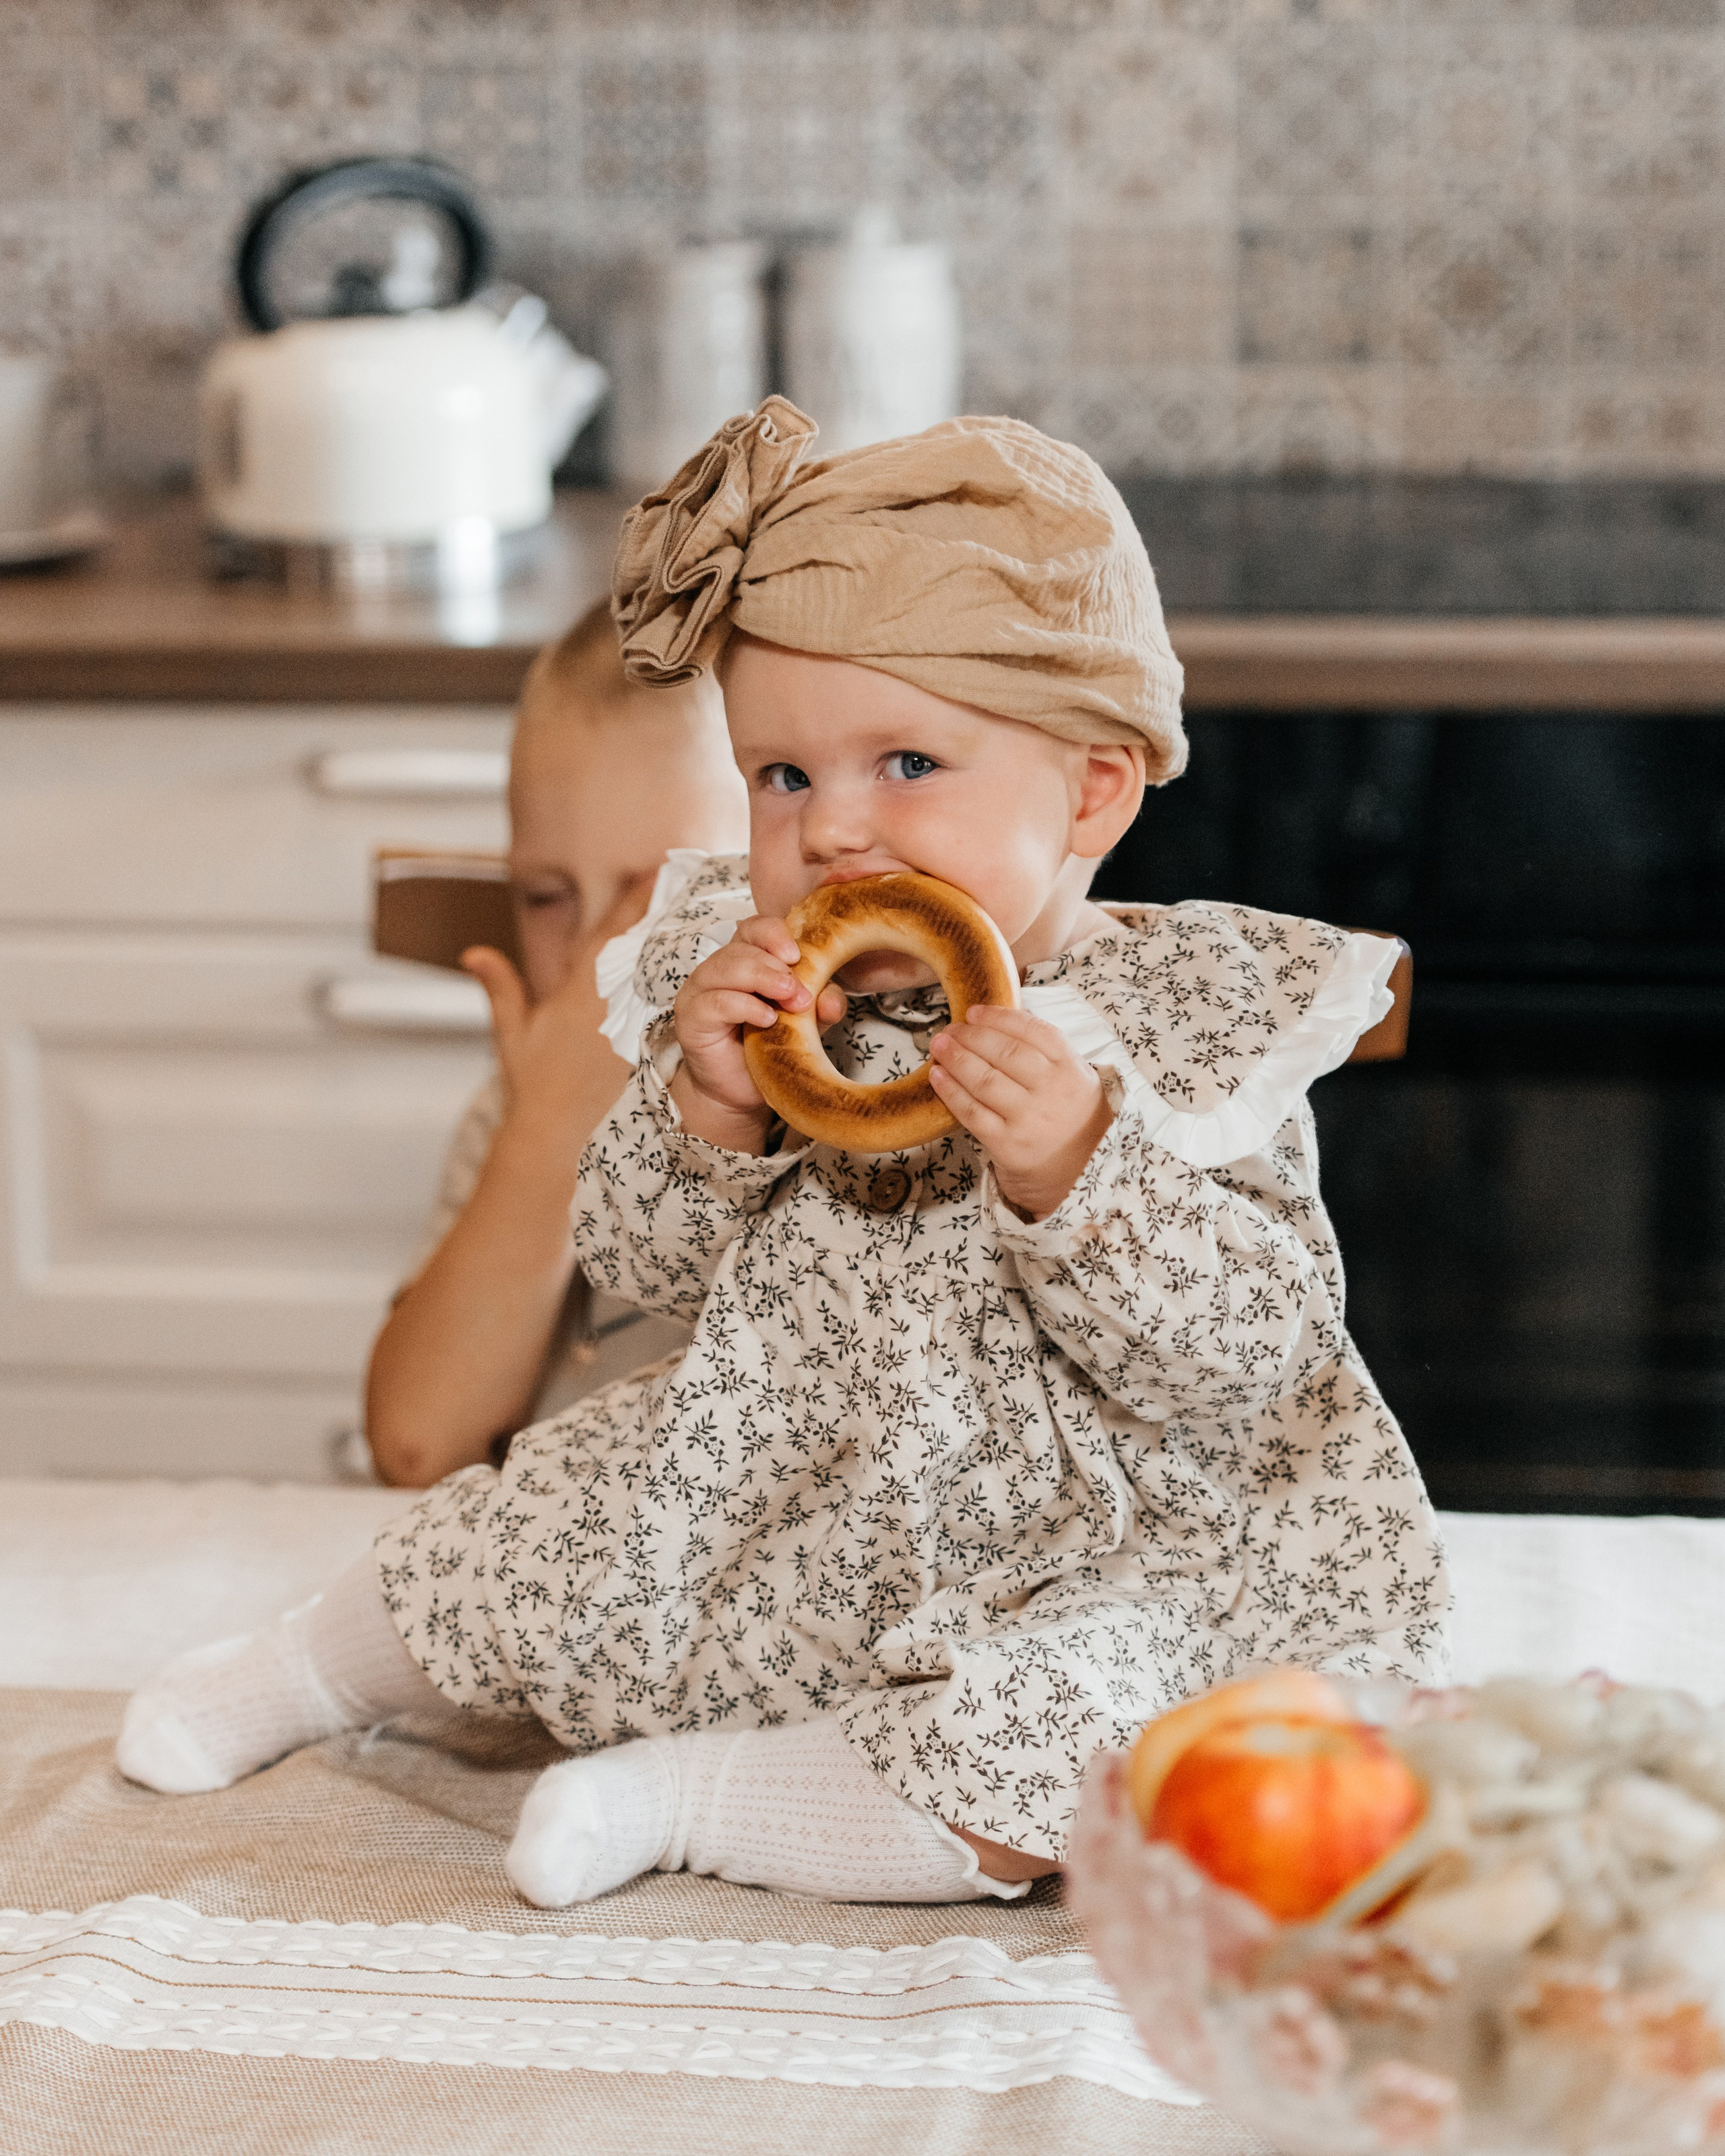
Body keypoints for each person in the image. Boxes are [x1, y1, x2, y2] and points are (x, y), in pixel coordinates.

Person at [118, 401, 1451, 1909]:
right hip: (801, 1484)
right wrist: (706, 1106)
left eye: (903, 762)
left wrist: (1080, 1171)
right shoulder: (763, 997)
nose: (831, 832)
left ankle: (688, 1799)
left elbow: (1252, 1362)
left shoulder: (1180, 1031)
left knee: (1086, 1756)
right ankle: (294, 1672)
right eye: (783, 778)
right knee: (546, 1516)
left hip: (1093, 1544)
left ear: (1089, 787)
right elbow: (640, 1270)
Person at [364, 600, 749, 1488]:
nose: (589, 961)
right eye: (545, 897)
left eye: (652, 898)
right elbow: (416, 1445)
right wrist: (550, 1129)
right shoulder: (523, 1093)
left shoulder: (816, 1111)